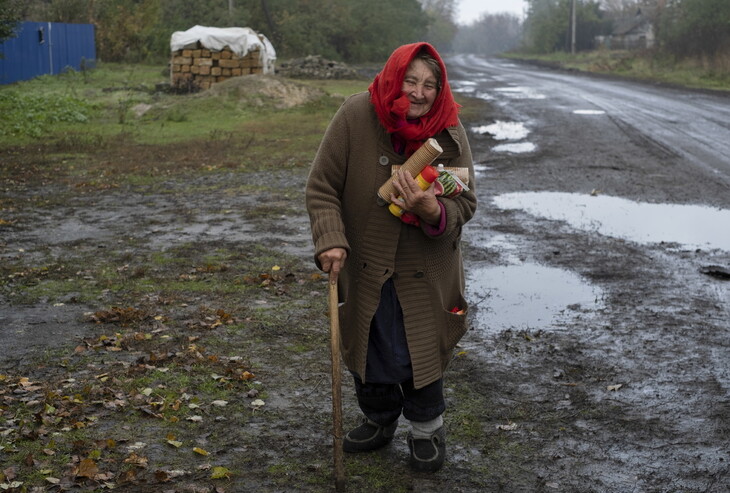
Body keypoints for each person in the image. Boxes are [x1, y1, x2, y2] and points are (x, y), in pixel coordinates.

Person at [305, 42, 477, 473]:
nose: (418, 92)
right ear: (393, 78)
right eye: (410, 80)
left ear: (440, 91)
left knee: (422, 350)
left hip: (427, 270)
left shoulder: (449, 130)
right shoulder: (355, 115)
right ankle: (378, 420)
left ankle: (426, 430)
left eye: (429, 85)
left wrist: (431, 209)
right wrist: (330, 238)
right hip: (367, 264)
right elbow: (321, 187)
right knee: (371, 346)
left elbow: (467, 203)